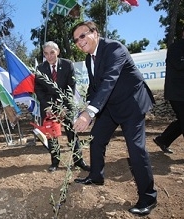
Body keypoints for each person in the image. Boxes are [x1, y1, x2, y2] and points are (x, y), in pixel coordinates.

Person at [71, 21, 157, 216]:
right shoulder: (88, 59)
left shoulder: (114, 48)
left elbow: (109, 81)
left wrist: (90, 112)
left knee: (136, 149)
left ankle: (148, 197)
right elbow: (95, 88)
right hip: (110, 106)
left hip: (131, 104)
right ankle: (96, 176)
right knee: (96, 140)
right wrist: (86, 111)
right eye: (76, 40)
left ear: (95, 33)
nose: (79, 42)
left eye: (82, 36)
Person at [35, 41, 90, 172]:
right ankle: (55, 162)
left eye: (52, 53)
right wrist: (47, 107)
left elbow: (71, 86)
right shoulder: (40, 68)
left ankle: (79, 161)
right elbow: (38, 89)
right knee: (52, 136)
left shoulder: (67, 64)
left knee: (72, 133)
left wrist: (65, 106)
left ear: (58, 52)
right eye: (46, 54)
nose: (49, 56)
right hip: (49, 107)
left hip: (66, 105)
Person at [153, 27, 184, 154]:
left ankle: (163, 140)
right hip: (177, 92)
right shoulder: (176, 47)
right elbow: (179, 65)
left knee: (182, 120)